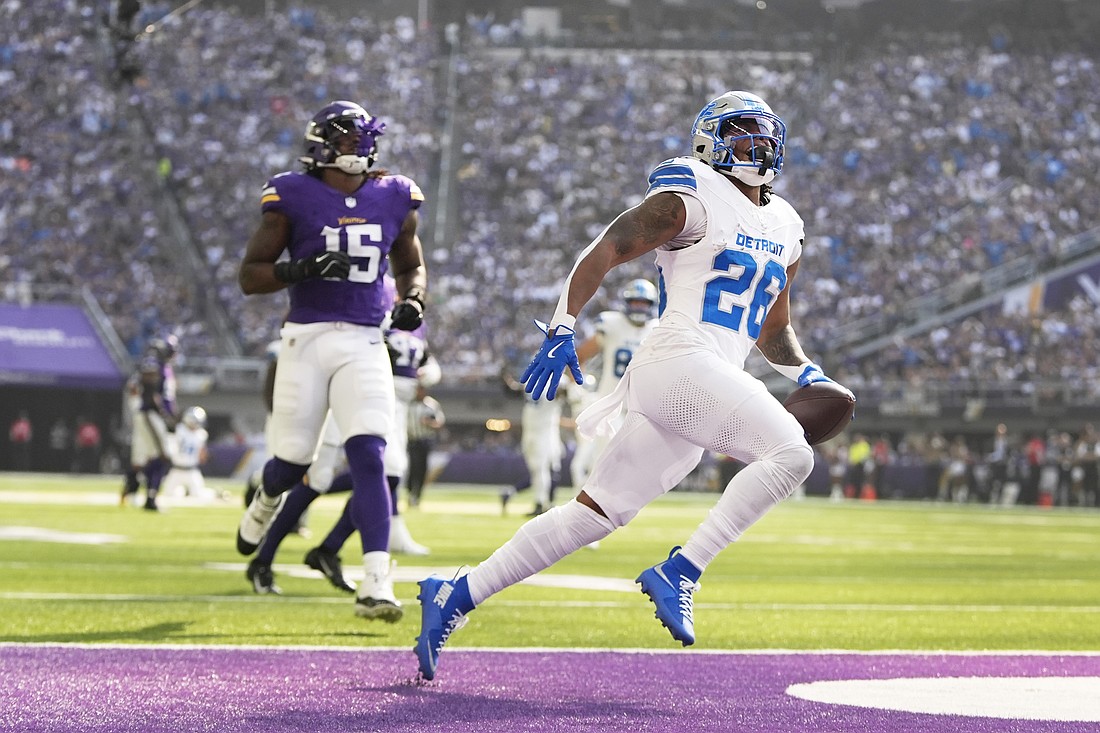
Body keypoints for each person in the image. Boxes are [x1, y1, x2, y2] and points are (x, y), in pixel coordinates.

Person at [414, 90, 853, 680]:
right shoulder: (689, 195)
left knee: (595, 514)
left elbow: (774, 326)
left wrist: (809, 373)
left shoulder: (786, 223)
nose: (761, 144)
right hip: (677, 358)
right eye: (745, 132)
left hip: (705, 377)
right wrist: (564, 325)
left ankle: (457, 593)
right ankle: (683, 570)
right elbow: (605, 252)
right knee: (790, 454)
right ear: (713, 141)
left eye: (766, 133)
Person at [234, 99, 427, 623]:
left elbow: (410, 264)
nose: (354, 149)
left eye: (359, 138)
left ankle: (376, 581)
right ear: (322, 145)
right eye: (343, 139)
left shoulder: (394, 195)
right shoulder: (292, 194)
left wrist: (414, 301)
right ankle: (265, 500)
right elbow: (251, 276)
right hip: (307, 337)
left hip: (366, 340)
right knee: (293, 462)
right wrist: (302, 269)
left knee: (370, 453)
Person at [127, 334, 179, 511]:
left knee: (151, 457)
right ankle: (148, 496)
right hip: (151, 415)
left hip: (152, 415)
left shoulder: (163, 367)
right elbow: (148, 392)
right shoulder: (154, 366)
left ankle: (135, 489)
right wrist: (164, 414)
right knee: (163, 457)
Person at [405, 383, 445, 508]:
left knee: (422, 469)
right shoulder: (408, 404)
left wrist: (428, 422)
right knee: (413, 467)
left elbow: (439, 423)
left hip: (425, 440)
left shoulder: (431, 405)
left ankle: (417, 495)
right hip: (411, 439)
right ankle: (411, 493)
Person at [161, 406, 211, 499]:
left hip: (192, 471)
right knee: (168, 495)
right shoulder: (179, 430)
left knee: (199, 496)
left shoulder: (201, 434)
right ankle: (182, 491)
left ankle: (216, 494)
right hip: (176, 469)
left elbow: (202, 454)